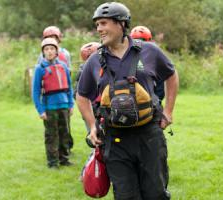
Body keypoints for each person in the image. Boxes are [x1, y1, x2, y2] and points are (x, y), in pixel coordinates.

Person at [76, 2, 179, 199]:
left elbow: (171, 75)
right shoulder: (94, 60)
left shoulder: (149, 51)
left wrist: (168, 111)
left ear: (121, 24)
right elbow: (81, 96)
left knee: (155, 193)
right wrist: (92, 126)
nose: (99, 29)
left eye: (104, 23)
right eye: (97, 25)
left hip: (149, 135)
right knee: (125, 196)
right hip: (115, 140)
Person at [32, 37, 74, 169]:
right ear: (43, 52)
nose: (49, 51)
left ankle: (64, 159)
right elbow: (35, 92)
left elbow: (70, 87)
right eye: (46, 49)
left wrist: (71, 104)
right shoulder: (40, 68)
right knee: (51, 135)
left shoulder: (63, 67)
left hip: (64, 106)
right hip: (49, 107)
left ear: (56, 51)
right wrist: (40, 110)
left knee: (65, 133)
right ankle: (53, 162)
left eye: (52, 49)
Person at [130, 25, 165, 104]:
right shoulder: (125, 57)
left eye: (142, 41)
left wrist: (156, 101)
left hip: (150, 102)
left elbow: (160, 87)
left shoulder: (155, 58)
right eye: (136, 41)